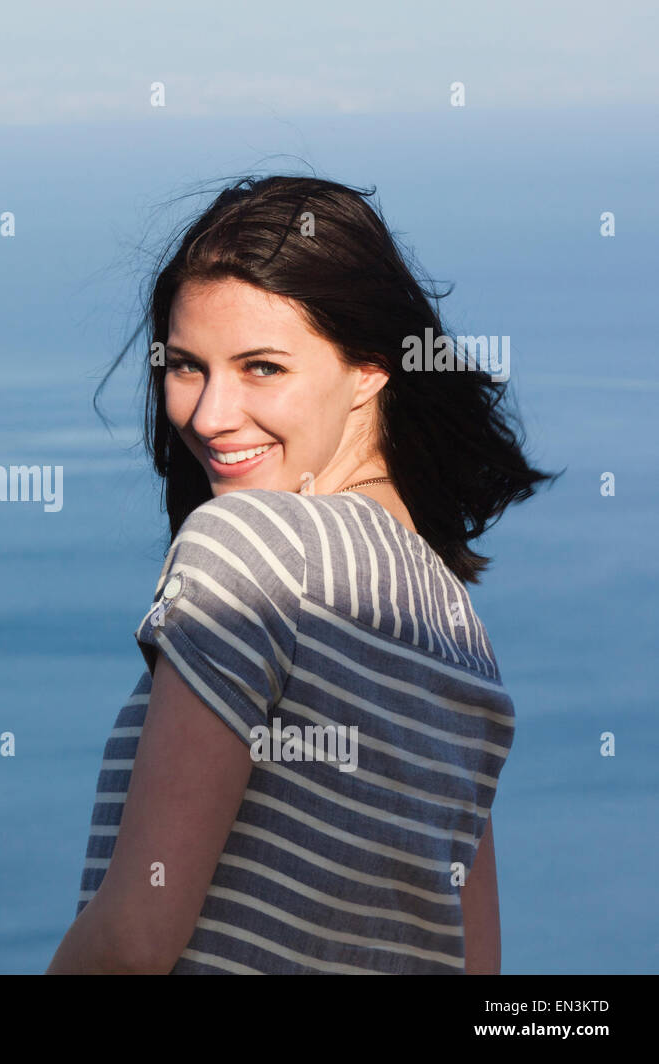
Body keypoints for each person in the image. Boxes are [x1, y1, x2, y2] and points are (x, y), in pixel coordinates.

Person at [47, 175, 558, 974]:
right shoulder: (456, 631)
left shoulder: (251, 547)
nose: (210, 414)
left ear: (370, 368)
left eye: (261, 368)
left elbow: (134, 940)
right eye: (187, 367)